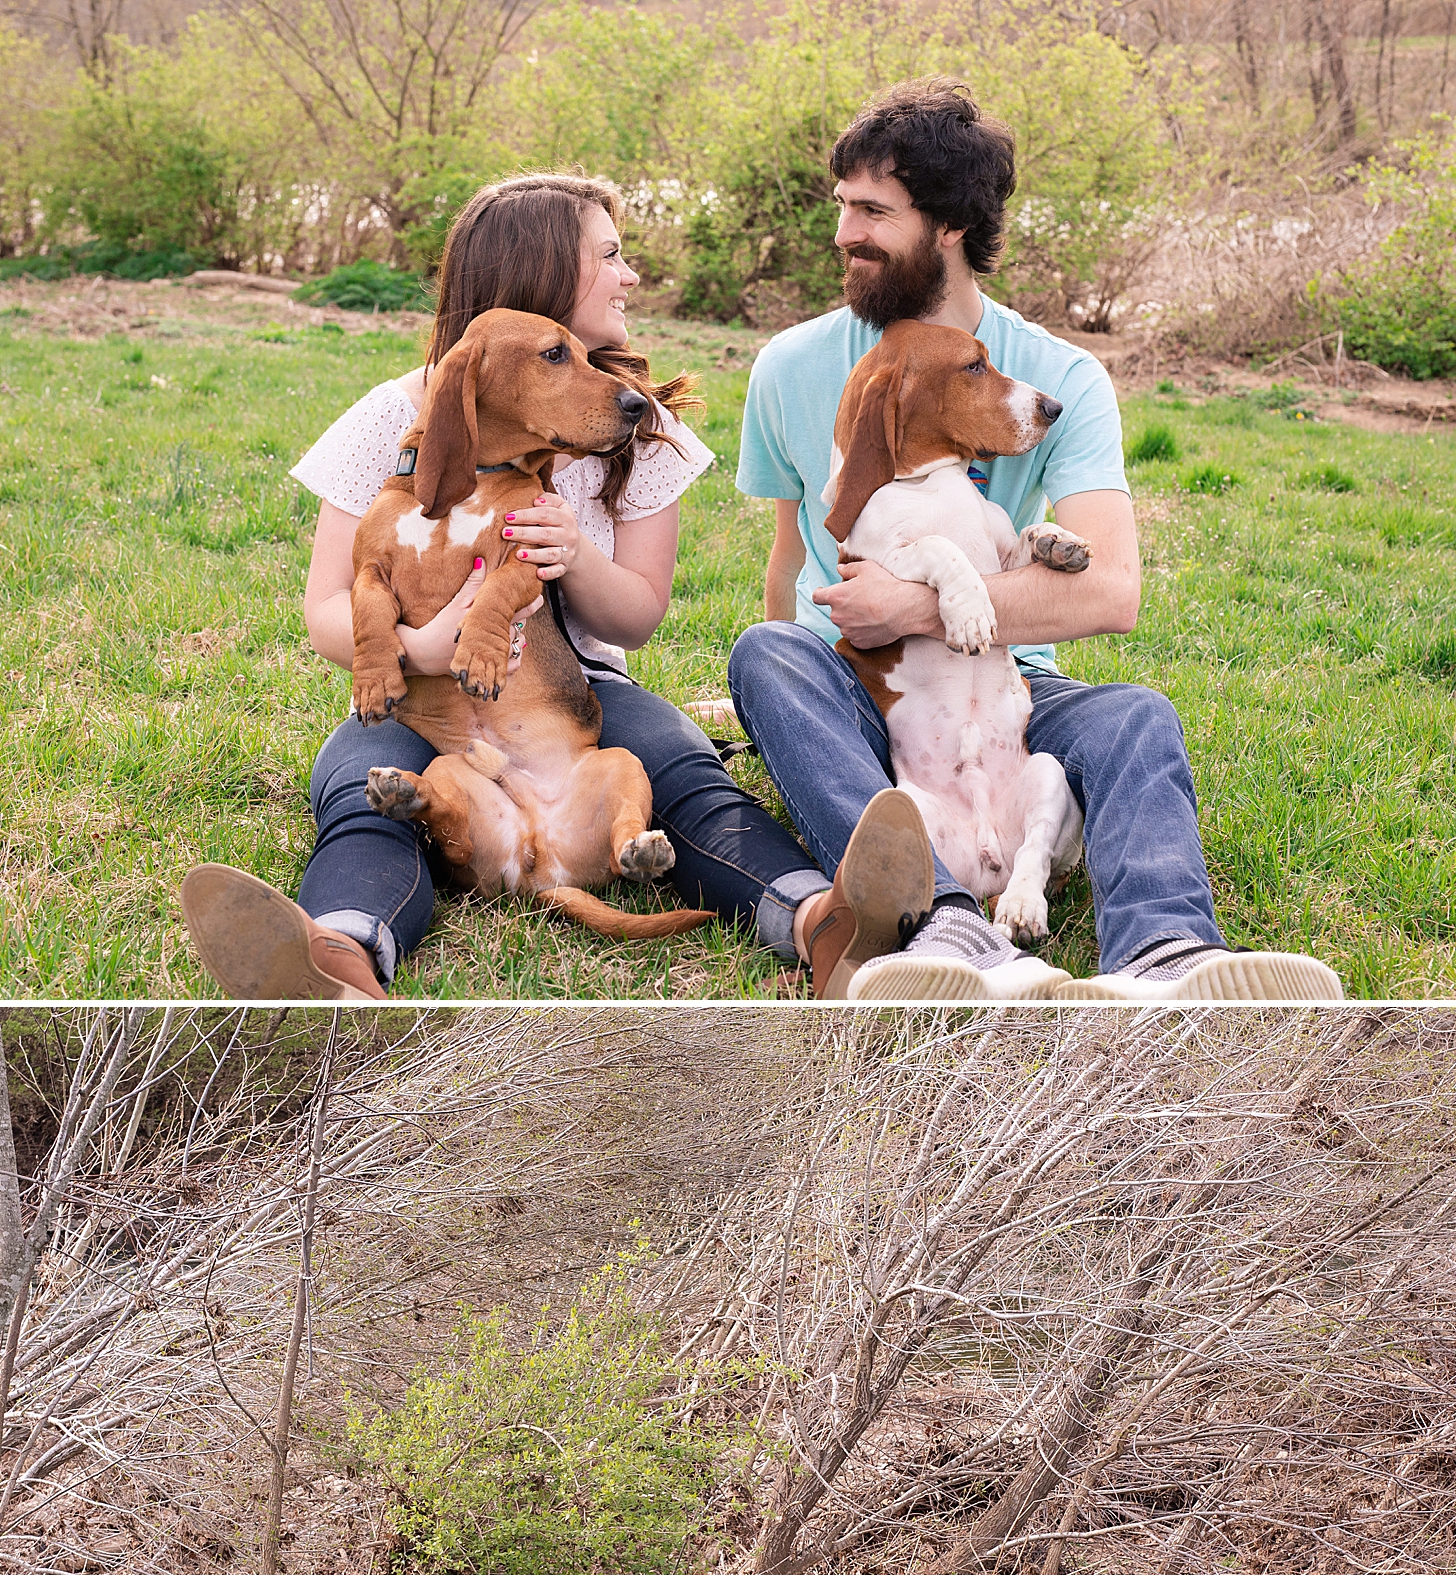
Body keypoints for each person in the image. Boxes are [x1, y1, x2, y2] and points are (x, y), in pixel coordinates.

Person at [181, 173, 925, 1002]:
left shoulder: (639, 422)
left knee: (683, 774)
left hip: (570, 696)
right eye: (609, 255)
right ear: (537, 286)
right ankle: (341, 963)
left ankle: (823, 925)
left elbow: (637, 617)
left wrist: (576, 555)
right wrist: (420, 645)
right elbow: (328, 605)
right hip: (418, 699)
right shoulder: (386, 422)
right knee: (364, 792)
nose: (629, 275)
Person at [728, 80, 1344, 1003]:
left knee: (1136, 714)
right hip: (866, 685)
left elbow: (1111, 591)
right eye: (842, 207)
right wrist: (790, 726)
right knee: (769, 656)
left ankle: (1168, 956)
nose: (844, 234)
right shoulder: (790, 366)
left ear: (948, 225)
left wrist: (923, 604)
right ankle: (946, 929)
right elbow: (790, 564)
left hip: (1016, 686)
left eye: (872, 212)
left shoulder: (1061, 377)